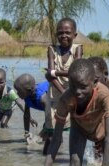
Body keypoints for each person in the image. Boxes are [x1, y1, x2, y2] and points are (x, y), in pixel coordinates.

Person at [45, 59, 109, 166]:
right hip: (79, 129)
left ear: (95, 83)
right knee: (75, 162)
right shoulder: (66, 99)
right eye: (73, 86)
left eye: (83, 87)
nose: (77, 92)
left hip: (103, 129)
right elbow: (56, 139)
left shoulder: (104, 94)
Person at [44, 17, 83, 152]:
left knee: (76, 133)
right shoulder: (52, 49)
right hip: (56, 96)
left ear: (75, 35)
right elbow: (50, 77)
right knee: (52, 135)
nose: (64, 36)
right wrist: (63, 92)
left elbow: (76, 72)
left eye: (67, 32)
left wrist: (55, 72)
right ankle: (46, 160)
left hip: (73, 96)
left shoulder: (78, 49)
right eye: (60, 33)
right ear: (56, 35)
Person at [14, 73, 49, 154]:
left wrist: (38, 136)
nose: (17, 94)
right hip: (49, 109)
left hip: (56, 104)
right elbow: (26, 115)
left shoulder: (42, 98)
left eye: (19, 91)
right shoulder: (27, 96)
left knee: (51, 130)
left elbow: (51, 118)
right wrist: (26, 133)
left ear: (29, 90)